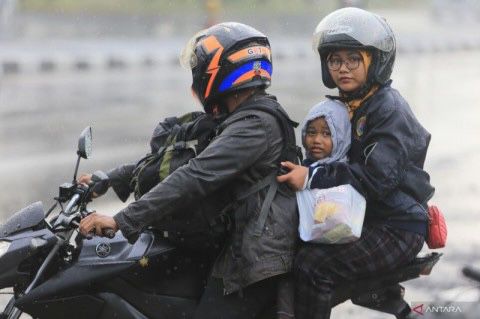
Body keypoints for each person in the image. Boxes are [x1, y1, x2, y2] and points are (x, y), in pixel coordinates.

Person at [79, 22, 299, 319]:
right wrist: (107, 179)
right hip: (232, 248)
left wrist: (123, 221)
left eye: (201, 67)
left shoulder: (255, 125)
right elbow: (178, 157)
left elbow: (194, 176)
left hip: (256, 258)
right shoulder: (237, 117)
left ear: (222, 71)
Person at [277, 7, 435, 319]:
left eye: (353, 60)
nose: (343, 69)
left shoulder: (389, 110)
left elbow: (377, 179)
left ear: (374, 62)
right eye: (335, 60)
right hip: (366, 215)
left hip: (396, 225)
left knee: (314, 266)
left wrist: (311, 176)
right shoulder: (349, 106)